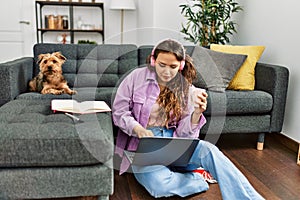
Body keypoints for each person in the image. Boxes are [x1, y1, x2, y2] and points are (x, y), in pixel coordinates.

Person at [112, 39, 264, 200]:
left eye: (173, 67)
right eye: (162, 65)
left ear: (181, 66)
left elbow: (186, 134)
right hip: (143, 145)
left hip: (175, 140)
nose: (167, 72)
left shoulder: (186, 88)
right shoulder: (135, 78)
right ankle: (197, 178)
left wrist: (196, 114)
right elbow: (119, 112)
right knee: (159, 186)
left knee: (209, 150)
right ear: (153, 60)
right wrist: (138, 129)